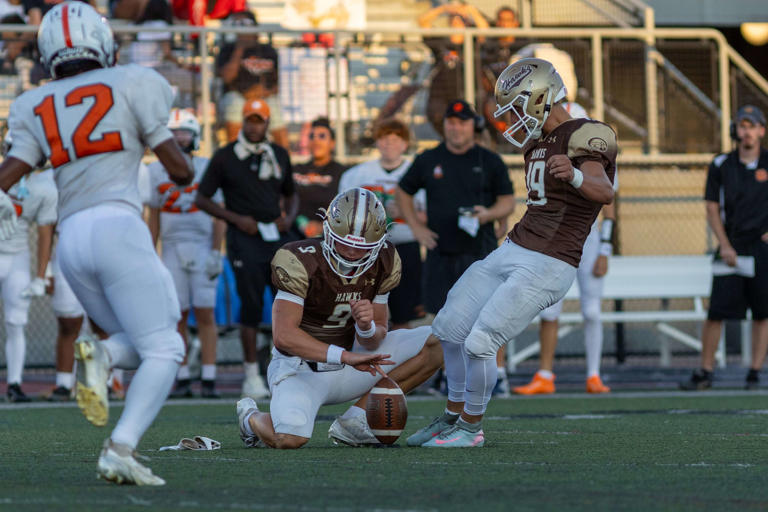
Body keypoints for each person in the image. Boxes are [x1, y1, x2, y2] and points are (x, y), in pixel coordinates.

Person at [0, 2, 194, 484]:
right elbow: (181, 170)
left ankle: (100, 355)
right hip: (117, 227)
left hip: (72, 241)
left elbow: (10, 174)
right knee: (167, 347)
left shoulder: (32, 103)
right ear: (101, 43)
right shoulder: (133, 81)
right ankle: (121, 446)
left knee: (134, 339)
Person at [405, 58, 617, 447]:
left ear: (539, 97)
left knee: (481, 341)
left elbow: (604, 192)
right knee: (449, 327)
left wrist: (574, 174)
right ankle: (452, 415)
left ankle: (470, 428)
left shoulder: (587, 133)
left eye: (517, 106)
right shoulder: (537, 142)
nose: (513, 119)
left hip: (549, 262)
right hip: (515, 248)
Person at [235, 188, 443, 449]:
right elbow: (284, 337)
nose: (352, 253)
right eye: (345, 243)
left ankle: (356, 420)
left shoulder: (386, 259)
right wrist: (345, 356)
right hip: (301, 369)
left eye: (362, 247)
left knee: (441, 339)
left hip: (355, 363)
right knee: (288, 438)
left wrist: (366, 328)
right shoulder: (299, 259)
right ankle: (250, 417)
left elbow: (374, 339)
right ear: (328, 229)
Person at [512, 97, 617, 395]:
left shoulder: (594, 147)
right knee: (549, 309)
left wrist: (606, 247)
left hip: (589, 235)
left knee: (592, 310)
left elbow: (608, 199)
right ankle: (545, 374)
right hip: (557, 236)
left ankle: (594, 374)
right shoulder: (547, 144)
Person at [195, 98, 298, 400]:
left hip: (276, 237)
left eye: (260, 120)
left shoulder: (278, 154)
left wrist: (287, 219)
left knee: (289, 302)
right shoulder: (226, 157)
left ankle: (285, 366)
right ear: (243, 121)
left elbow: (291, 194)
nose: (255, 126)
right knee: (251, 305)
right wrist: (236, 219)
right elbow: (202, 198)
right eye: (250, 120)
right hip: (244, 238)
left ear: (267, 123)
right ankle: (251, 373)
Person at [396, 99, 515, 318]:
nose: (456, 128)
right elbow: (403, 191)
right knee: (441, 325)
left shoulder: (490, 160)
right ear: (443, 126)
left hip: (480, 254)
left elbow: (507, 200)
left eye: (462, 123)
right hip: (440, 256)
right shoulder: (428, 159)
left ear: (473, 125)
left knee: (487, 322)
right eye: (451, 122)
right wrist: (416, 228)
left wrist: (489, 214)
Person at [680, 105, 768, 391]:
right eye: (742, 126)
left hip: (761, 249)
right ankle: (705, 371)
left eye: (752, 126)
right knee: (716, 312)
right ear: (736, 130)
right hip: (730, 248)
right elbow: (712, 207)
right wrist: (726, 245)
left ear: (761, 130)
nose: (747, 132)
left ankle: (755, 372)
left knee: (762, 313)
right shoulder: (721, 165)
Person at [147, 109, 226, 398]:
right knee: (176, 314)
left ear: (196, 136)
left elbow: (219, 215)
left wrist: (217, 252)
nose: (180, 137)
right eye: (175, 132)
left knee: (205, 313)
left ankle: (208, 377)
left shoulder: (206, 166)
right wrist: (149, 253)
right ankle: (181, 377)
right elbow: (153, 215)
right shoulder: (154, 170)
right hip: (170, 247)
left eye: (185, 131)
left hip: (203, 245)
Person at [338, 118, 425, 329]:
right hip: (367, 251)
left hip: (405, 248)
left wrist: (407, 211)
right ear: (377, 142)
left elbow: (430, 217)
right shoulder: (357, 175)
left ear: (405, 144)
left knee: (403, 314)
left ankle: (401, 360)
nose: (389, 144)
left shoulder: (417, 172)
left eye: (395, 140)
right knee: (365, 311)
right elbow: (340, 215)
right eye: (385, 139)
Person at [0, 131, 57, 402]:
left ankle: (14, 383)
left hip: (18, 256)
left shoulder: (44, 187)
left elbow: (45, 232)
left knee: (16, 322)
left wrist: (40, 274)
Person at [216, 10, 288, 147]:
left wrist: (264, 92)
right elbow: (226, 77)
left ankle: (285, 161)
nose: (241, 28)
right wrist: (239, 49)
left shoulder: (268, 50)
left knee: (275, 107)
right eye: (236, 24)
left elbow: (278, 83)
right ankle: (234, 155)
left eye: (244, 23)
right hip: (238, 96)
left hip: (265, 97)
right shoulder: (228, 49)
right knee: (234, 104)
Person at [417, 2, 489, 136]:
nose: (456, 20)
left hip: (468, 92)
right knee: (439, 116)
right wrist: (444, 8)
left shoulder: (473, 41)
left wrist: (469, 10)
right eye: (453, 17)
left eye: (460, 18)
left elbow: (484, 29)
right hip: (443, 93)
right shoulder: (441, 40)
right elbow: (422, 22)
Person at [293, 117, 347, 238]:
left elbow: (347, 210)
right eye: (312, 136)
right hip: (293, 232)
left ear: (332, 143)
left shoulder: (343, 172)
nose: (316, 140)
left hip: (330, 236)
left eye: (322, 136)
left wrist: (322, 226)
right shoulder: (296, 169)